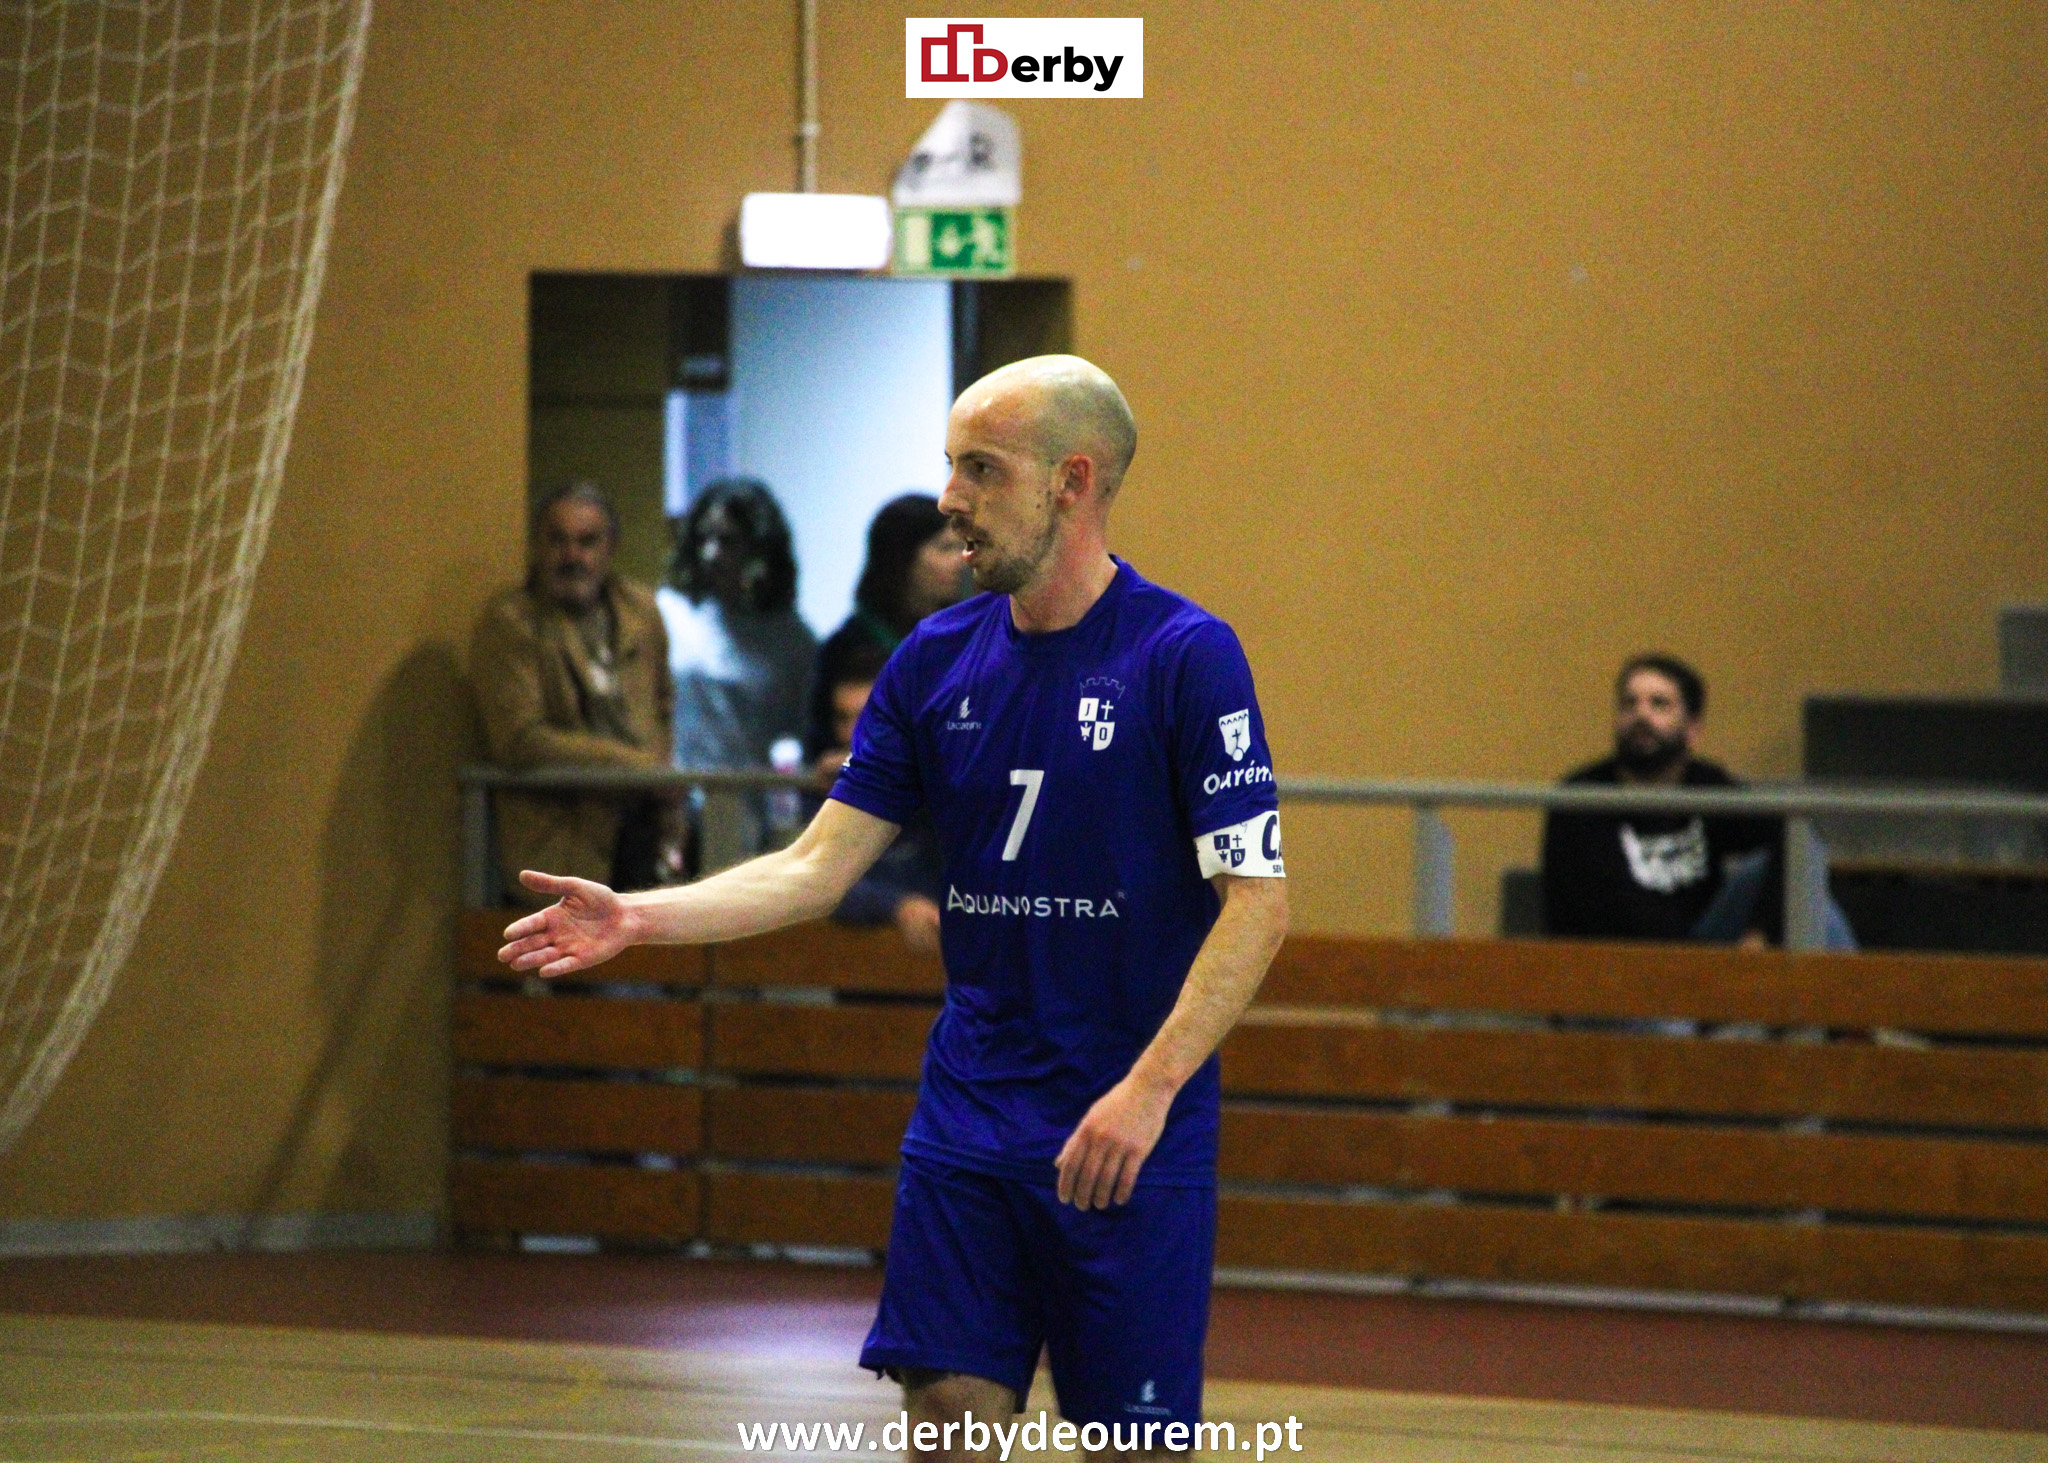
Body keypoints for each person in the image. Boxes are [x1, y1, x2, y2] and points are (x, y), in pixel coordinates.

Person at [501, 355, 1290, 1458]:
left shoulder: (1183, 656)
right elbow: (815, 866)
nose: (949, 498)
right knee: (948, 1431)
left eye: (981, 469)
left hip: (1125, 1132)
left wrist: (1148, 1090)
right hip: (969, 1124)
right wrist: (639, 916)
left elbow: (1256, 902)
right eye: (949, 466)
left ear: (1072, 481)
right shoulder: (932, 661)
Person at [471, 481, 674, 904]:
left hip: (644, 834)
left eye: (587, 542)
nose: (572, 556)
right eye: (558, 540)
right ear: (537, 546)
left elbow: (663, 709)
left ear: (610, 547)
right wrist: (636, 768)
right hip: (559, 844)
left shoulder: (639, 613)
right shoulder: (512, 622)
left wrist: (665, 800)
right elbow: (521, 739)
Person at [1541, 654, 1785, 944]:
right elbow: (1577, 914)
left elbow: (1783, 836)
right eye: (1629, 704)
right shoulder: (1582, 798)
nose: (1641, 716)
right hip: (1615, 953)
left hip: (1704, 945)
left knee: (1799, 857)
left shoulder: (1708, 787)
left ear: (1692, 729)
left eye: (1659, 704)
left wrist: (1759, 932)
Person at [657, 477, 816, 771]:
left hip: (753, 787)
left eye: (727, 541)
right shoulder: (669, 614)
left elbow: (799, 735)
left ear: (758, 549)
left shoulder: (791, 639)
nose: (710, 554)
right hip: (678, 786)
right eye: (704, 539)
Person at [804, 492, 970, 765]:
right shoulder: (846, 648)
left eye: (960, 547)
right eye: (944, 548)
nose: (960, 560)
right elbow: (822, 748)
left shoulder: (964, 636)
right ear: (902, 556)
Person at [818, 636, 943, 954]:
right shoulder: (826, 788)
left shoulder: (939, 786)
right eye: (842, 718)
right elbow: (816, 883)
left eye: (866, 718)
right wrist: (896, 906)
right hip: (854, 968)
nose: (851, 734)